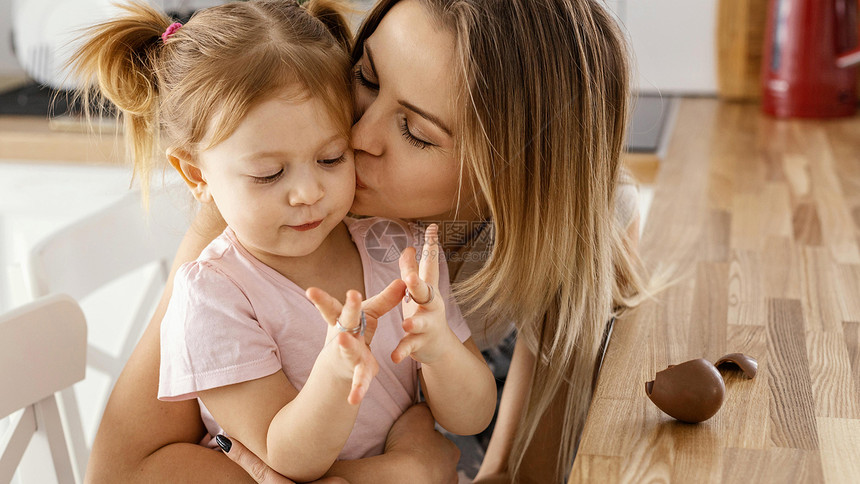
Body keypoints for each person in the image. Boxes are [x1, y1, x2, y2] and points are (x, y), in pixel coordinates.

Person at [81, 0, 651, 482]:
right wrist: (395, 472)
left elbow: (516, 468)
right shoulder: (258, 217)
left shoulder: (573, 228)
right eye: (366, 79)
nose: (352, 137)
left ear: (511, 174)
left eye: (415, 131)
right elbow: (123, 471)